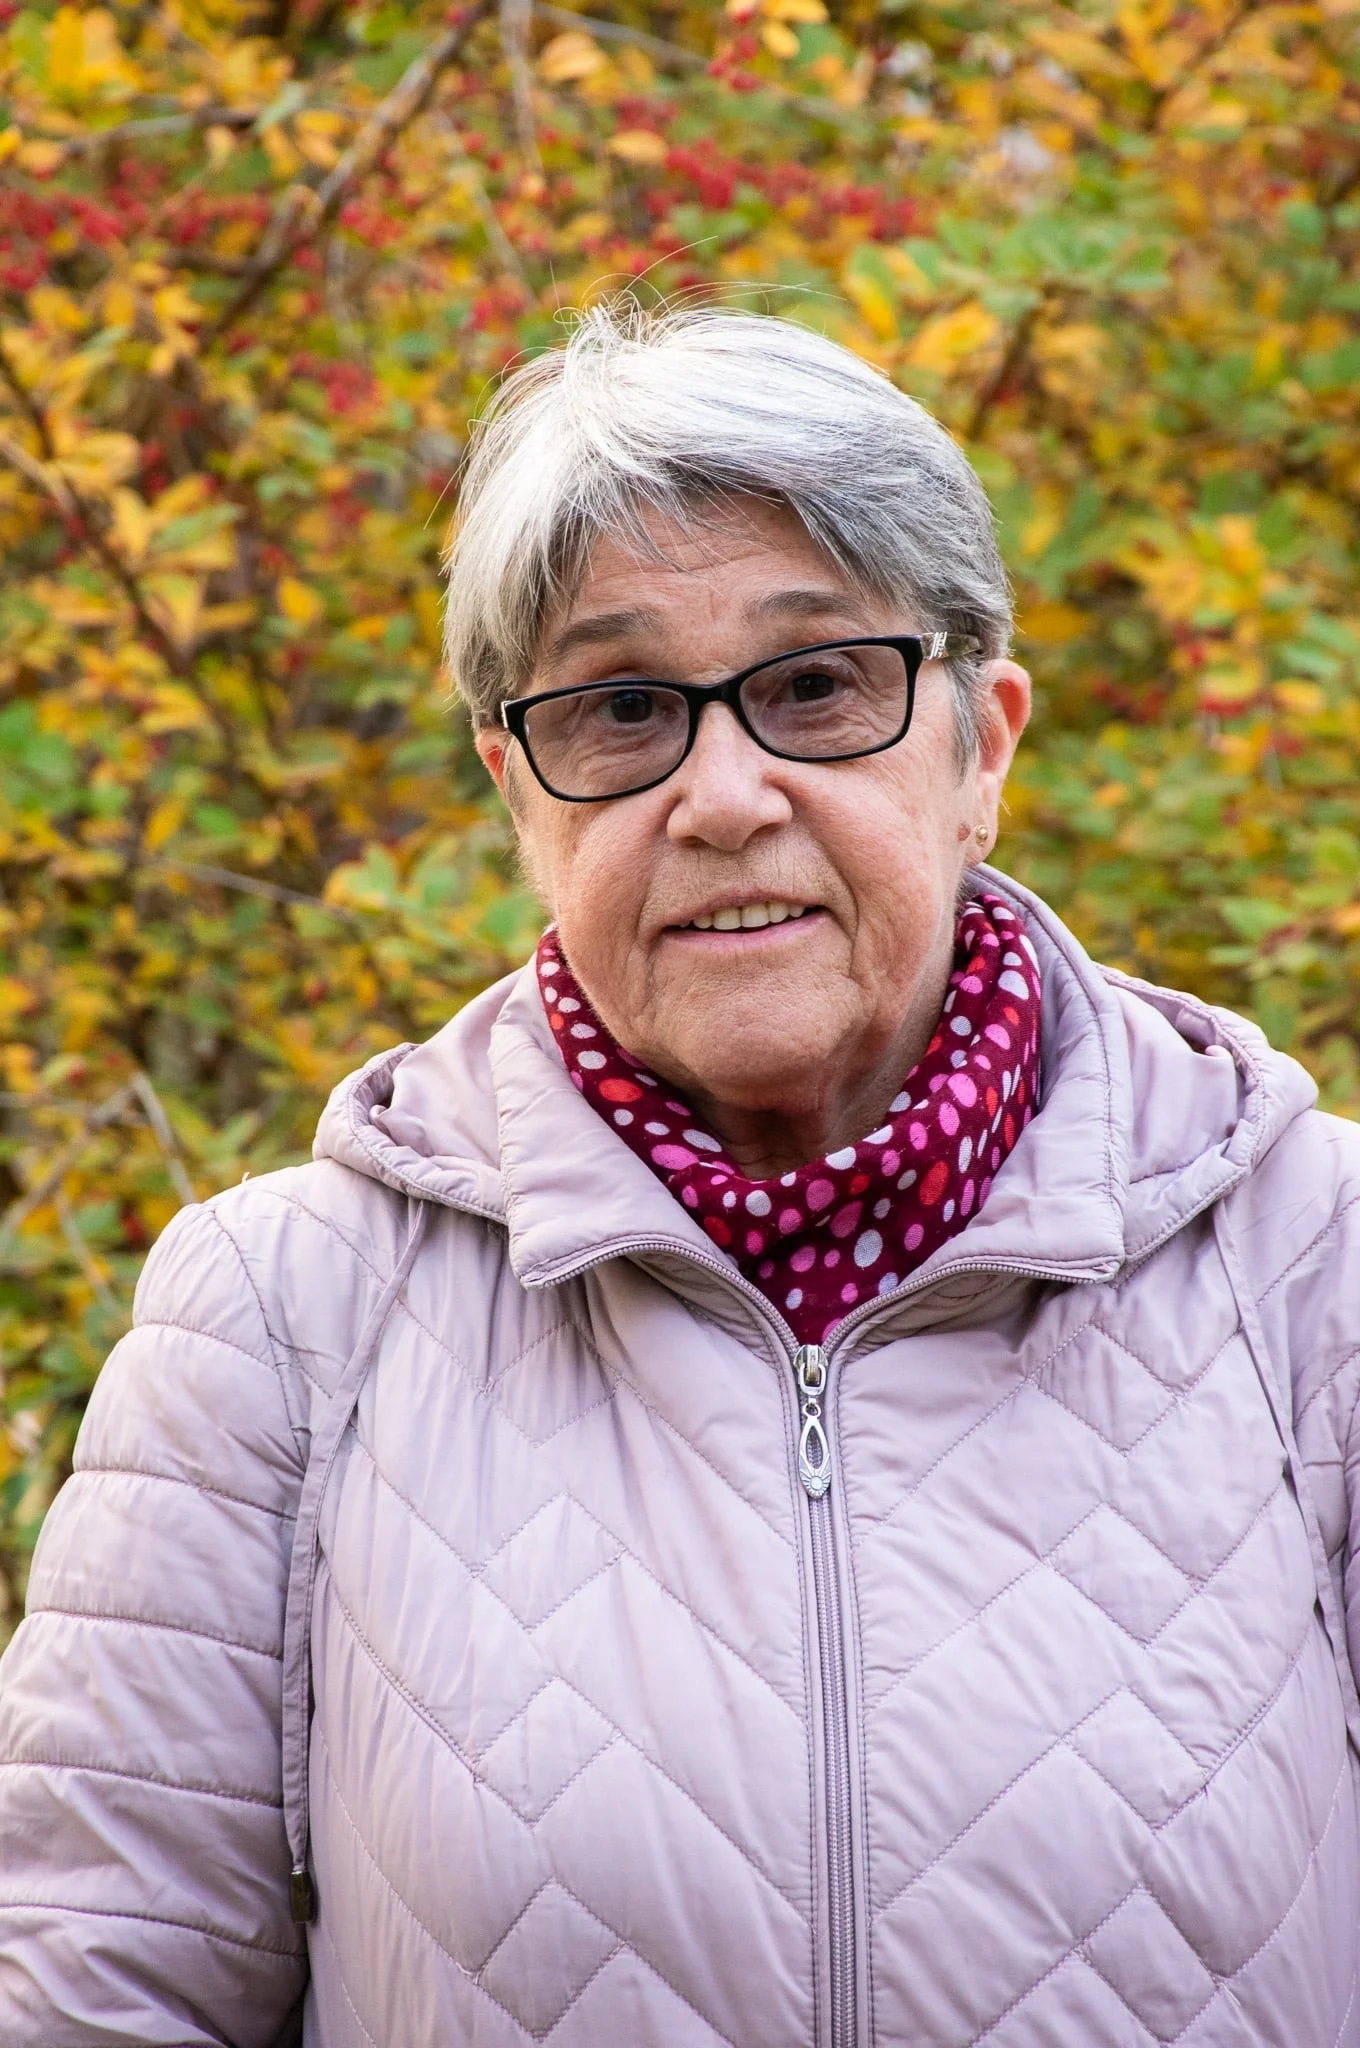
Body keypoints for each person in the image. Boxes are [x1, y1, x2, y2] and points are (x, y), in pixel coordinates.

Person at [2, 302, 1359, 2048]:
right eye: (624, 707)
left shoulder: (1313, 1261)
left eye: (816, 687)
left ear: (984, 746)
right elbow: (89, 1996)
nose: (725, 795)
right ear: (520, 790)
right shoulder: (279, 1322)